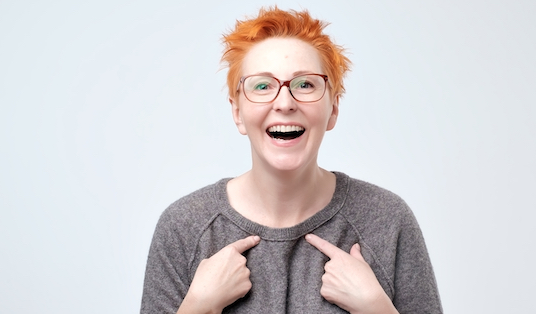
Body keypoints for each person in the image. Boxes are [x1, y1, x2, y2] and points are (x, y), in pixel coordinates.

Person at [141, 7, 442, 314]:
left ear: (333, 108)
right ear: (237, 112)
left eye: (305, 85)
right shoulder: (183, 228)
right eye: (262, 86)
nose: (284, 103)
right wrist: (198, 306)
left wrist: (376, 308)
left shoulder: (388, 220)